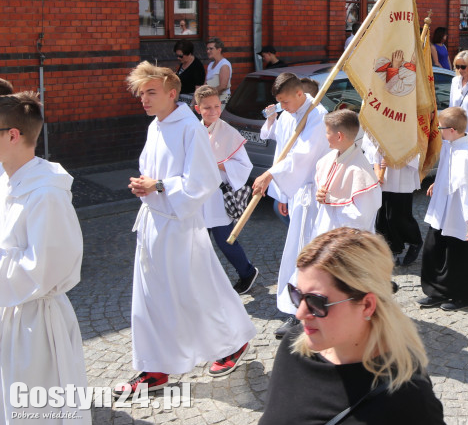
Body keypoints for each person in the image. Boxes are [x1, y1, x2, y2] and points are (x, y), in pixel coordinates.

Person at [123, 62, 255, 392]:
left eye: (151, 92)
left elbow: (204, 179)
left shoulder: (188, 127)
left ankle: (233, 341)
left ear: (172, 93)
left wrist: (160, 187)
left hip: (180, 225)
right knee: (152, 296)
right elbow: (151, 170)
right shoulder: (157, 125)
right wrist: (144, 184)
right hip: (154, 221)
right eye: (141, 93)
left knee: (199, 290)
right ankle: (155, 366)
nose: (144, 99)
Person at [257, 228, 446, 425]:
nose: (300, 314)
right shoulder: (294, 345)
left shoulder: (409, 399)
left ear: (367, 305)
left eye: (316, 302)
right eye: (297, 295)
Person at [0, 92, 91, 425]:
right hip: (8, 314)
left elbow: (43, 270)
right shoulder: (7, 181)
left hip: (34, 324)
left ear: (13, 135)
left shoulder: (46, 194)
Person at [253, 72, 330, 338]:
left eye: (285, 102)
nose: (282, 108)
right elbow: (282, 151)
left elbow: (303, 155)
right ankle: (298, 308)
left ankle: (310, 309)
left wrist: (272, 175)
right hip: (297, 194)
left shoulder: (318, 115)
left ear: (299, 93)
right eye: (280, 103)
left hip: (317, 194)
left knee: (312, 253)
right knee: (298, 251)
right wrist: (282, 194)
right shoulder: (288, 115)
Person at [418, 107, 468, 311]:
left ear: (453, 130)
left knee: (459, 255)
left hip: (461, 212)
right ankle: (436, 291)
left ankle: (462, 296)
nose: (438, 130)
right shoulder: (450, 144)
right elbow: (446, 169)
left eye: (441, 127)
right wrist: (437, 183)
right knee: (434, 248)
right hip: (443, 205)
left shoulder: (467, 155)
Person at [193, 85, 259, 294]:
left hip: (217, 197)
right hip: (198, 194)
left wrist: (218, 163)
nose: (213, 111)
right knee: (198, 242)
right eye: (207, 108)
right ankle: (203, 284)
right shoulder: (193, 130)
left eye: (216, 106)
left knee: (225, 240)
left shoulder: (228, 132)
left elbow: (245, 166)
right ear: (197, 109)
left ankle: (247, 272)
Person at [313, 109, 382, 236]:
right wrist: (319, 195)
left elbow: (362, 217)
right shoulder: (326, 160)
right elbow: (323, 196)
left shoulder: (360, 172)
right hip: (324, 229)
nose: (325, 135)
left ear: (339, 136)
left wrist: (332, 199)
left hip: (344, 240)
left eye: (327, 132)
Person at [364, 133, 422, 267]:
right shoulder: (375, 125)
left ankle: (415, 241)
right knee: (383, 218)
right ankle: (393, 249)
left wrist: (396, 159)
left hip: (401, 178)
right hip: (381, 178)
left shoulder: (405, 125)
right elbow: (369, 147)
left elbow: (416, 150)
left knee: (398, 216)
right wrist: (377, 167)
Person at [205, 37, 232, 104]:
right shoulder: (210, 64)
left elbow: (223, 86)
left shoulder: (224, 64)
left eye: (211, 49)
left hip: (221, 101)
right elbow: (205, 84)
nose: (208, 51)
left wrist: (208, 95)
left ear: (219, 50)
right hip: (211, 100)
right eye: (207, 49)